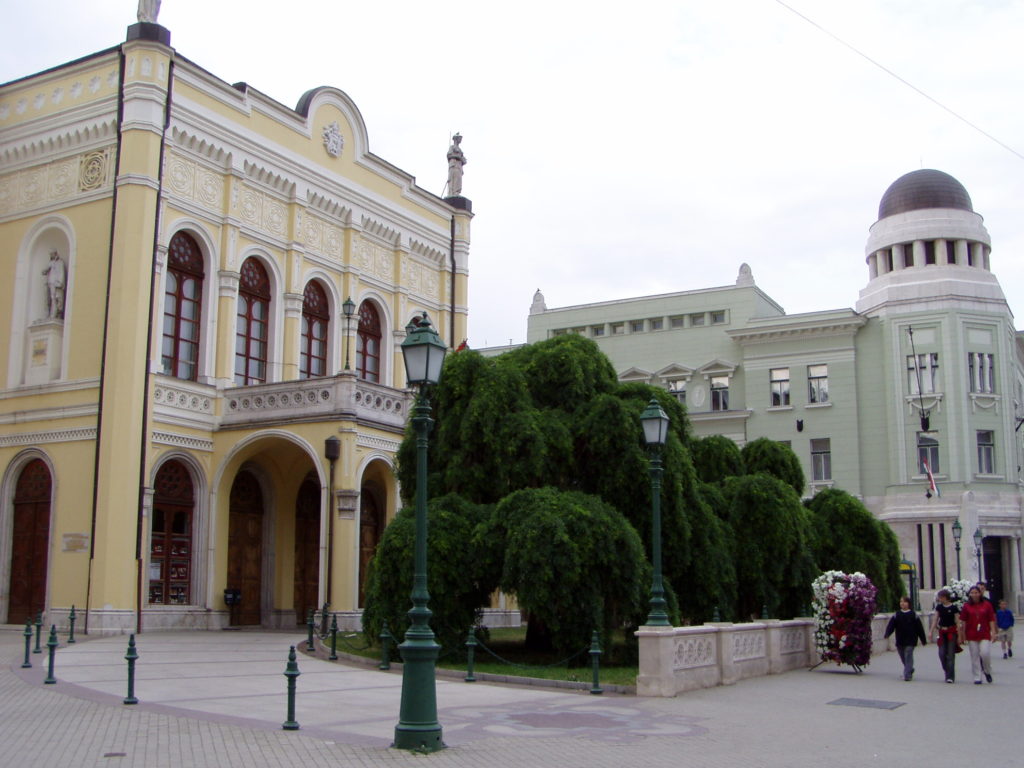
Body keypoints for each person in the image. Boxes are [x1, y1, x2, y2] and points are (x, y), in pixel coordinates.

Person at [884, 596, 927, 681]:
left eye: (904, 602)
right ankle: (909, 668)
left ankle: (907, 675)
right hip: (900, 639)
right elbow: (891, 626)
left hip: (911, 639)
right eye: (901, 602)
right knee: (902, 656)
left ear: (909, 604)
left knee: (908, 655)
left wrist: (923, 640)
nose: (902, 603)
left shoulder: (913, 615)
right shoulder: (897, 615)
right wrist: (887, 634)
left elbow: (919, 628)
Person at [960, 585, 997, 684]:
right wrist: (962, 634)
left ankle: (987, 670)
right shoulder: (966, 606)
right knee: (974, 655)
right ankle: (977, 676)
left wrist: (993, 632)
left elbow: (991, 619)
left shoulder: (987, 605)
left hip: (984, 632)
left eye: (976, 592)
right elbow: (963, 621)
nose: (974, 594)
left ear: (980, 593)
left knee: (985, 653)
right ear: (969, 594)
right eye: (972, 593)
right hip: (971, 633)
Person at [929, 588, 960, 683]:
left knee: (950, 654)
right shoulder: (939, 607)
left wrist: (959, 634)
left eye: (941, 597)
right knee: (942, 653)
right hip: (942, 631)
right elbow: (935, 619)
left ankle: (950, 676)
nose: (940, 599)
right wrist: (931, 631)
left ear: (946, 598)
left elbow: (957, 621)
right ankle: (947, 670)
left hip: (951, 631)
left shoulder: (954, 608)